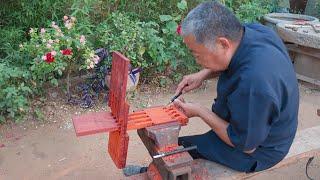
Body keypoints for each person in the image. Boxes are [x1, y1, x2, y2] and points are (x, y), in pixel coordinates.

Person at [173, 1, 299, 172]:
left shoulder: (254, 83)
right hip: (260, 121)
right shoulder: (255, 32)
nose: (197, 61)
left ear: (223, 44)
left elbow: (246, 145)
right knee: (191, 145)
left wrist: (199, 111)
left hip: (263, 148)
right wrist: (203, 74)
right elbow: (234, 59)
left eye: (197, 54)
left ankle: (148, 173)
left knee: (180, 149)